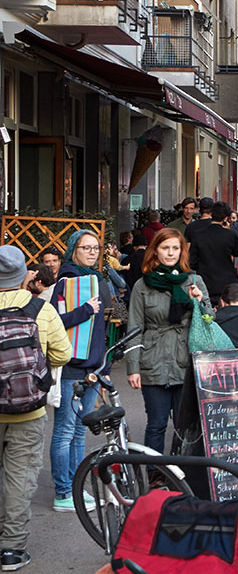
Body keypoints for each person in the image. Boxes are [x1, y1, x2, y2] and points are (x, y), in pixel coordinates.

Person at [0, 245, 71, 570]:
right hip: (28, 409)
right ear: (23, 275)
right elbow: (63, 354)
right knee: (20, 478)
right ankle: (11, 549)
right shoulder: (40, 309)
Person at [126, 228, 212, 454]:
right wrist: (133, 367)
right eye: (165, 248)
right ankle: (155, 473)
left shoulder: (194, 281)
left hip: (186, 362)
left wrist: (200, 302)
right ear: (155, 251)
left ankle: (184, 474)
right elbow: (135, 327)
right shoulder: (142, 285)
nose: (170, 253)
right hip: (153, 362)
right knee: (157, 424)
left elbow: (209, 321)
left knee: (186, 427)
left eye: (175, 248)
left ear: (182, 251)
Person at [49, 230, 109, 512]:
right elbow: (54, 322)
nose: (92, 252)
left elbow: (100, 330)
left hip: (92, 367)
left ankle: (75, 488)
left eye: (96, 248)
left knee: (78, 433)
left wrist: (103, 364)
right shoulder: (66, 281)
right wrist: (86, 309)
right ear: (73, 249)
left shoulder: (93, 280)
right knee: (64, 431)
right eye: (86, 247)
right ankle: (63, 491)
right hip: (72, 367)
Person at [188, 202, 238, 306]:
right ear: (226, 218)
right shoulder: (230, 235)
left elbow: (192, 261)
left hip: (205, 281)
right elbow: (237, 252)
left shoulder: (198, 235)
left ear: (212, 214)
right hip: (227, 281)